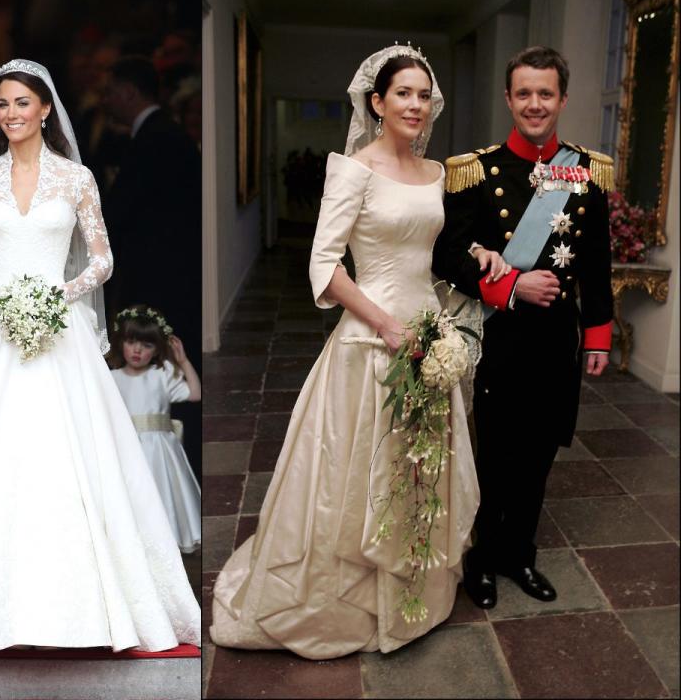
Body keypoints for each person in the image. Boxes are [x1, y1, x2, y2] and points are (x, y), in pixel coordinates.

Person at [0, 59, 201, 653]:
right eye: (2, 104)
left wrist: (58, 295)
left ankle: (78, 607)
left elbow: (101, 260)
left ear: (45, 110)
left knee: (67, 458)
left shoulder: (76, 179)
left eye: (22, 103)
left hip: (58, 329)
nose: (12, 113)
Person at [210, 45, 510, 659]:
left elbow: (435, 247)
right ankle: (339, 597)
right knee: (355, 470)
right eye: (404, 93)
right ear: (377, 103)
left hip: (428, 332)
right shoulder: (352, 169)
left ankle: (410, 591)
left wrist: (477, 253)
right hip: (370, 339)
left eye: (424, 95)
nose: (416, 105)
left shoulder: (435, 175)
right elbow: (324, 266)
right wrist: (386, 327)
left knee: (420, 464)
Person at [432, 46, 613, 610]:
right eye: (524, 93)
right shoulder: (476, 171)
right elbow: (445, 256)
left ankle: (520, 555)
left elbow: (597, 263)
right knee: (497, 451)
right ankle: (482, 561)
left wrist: (599, 337)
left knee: (539, 453)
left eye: (546, 93)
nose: (535, 104)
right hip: (498, 335)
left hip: (557, 338)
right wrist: (510, 287)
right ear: (509, 98)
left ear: (562, 98)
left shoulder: (585, 172)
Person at [102, 54, 202, 479]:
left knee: (165, 361)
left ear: (128, 92)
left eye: (110, 91)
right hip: (171, 276)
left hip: (162, 280)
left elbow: (123, 215)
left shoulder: (155, 139)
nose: (106, 100)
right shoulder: (164, 134)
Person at [107, 305, 201, 554]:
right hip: (125, 446)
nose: (137, 350)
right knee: (131, 494)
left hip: (159, 449)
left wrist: (183, 360)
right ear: (121, 343)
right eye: (131, 341)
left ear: (158, 349)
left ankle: (162, 542)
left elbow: (194, 393)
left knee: (160, 493)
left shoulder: (163, 373)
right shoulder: (111, 378)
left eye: (147, 345)